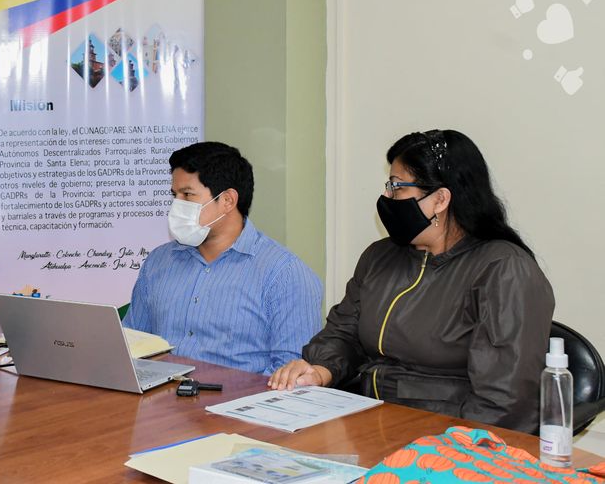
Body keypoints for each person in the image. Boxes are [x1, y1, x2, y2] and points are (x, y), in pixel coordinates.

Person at [268, 129, 554, 433]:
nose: (387, 198)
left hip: (447, 437)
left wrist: (450, 447)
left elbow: (504, 401)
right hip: (367, 424)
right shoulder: (380, 257)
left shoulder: (503, 269)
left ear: (440, 199)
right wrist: (319, 370)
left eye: (397, 187)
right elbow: (344, 332)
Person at [122, 141, 323, 375]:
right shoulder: (159, 262)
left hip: (241, 397)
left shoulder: (285, 274)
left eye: (187, 195)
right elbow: (132, 345)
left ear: (227, 200)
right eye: (174, 195)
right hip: (160, 394)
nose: (177, 205)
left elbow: (290, 374)